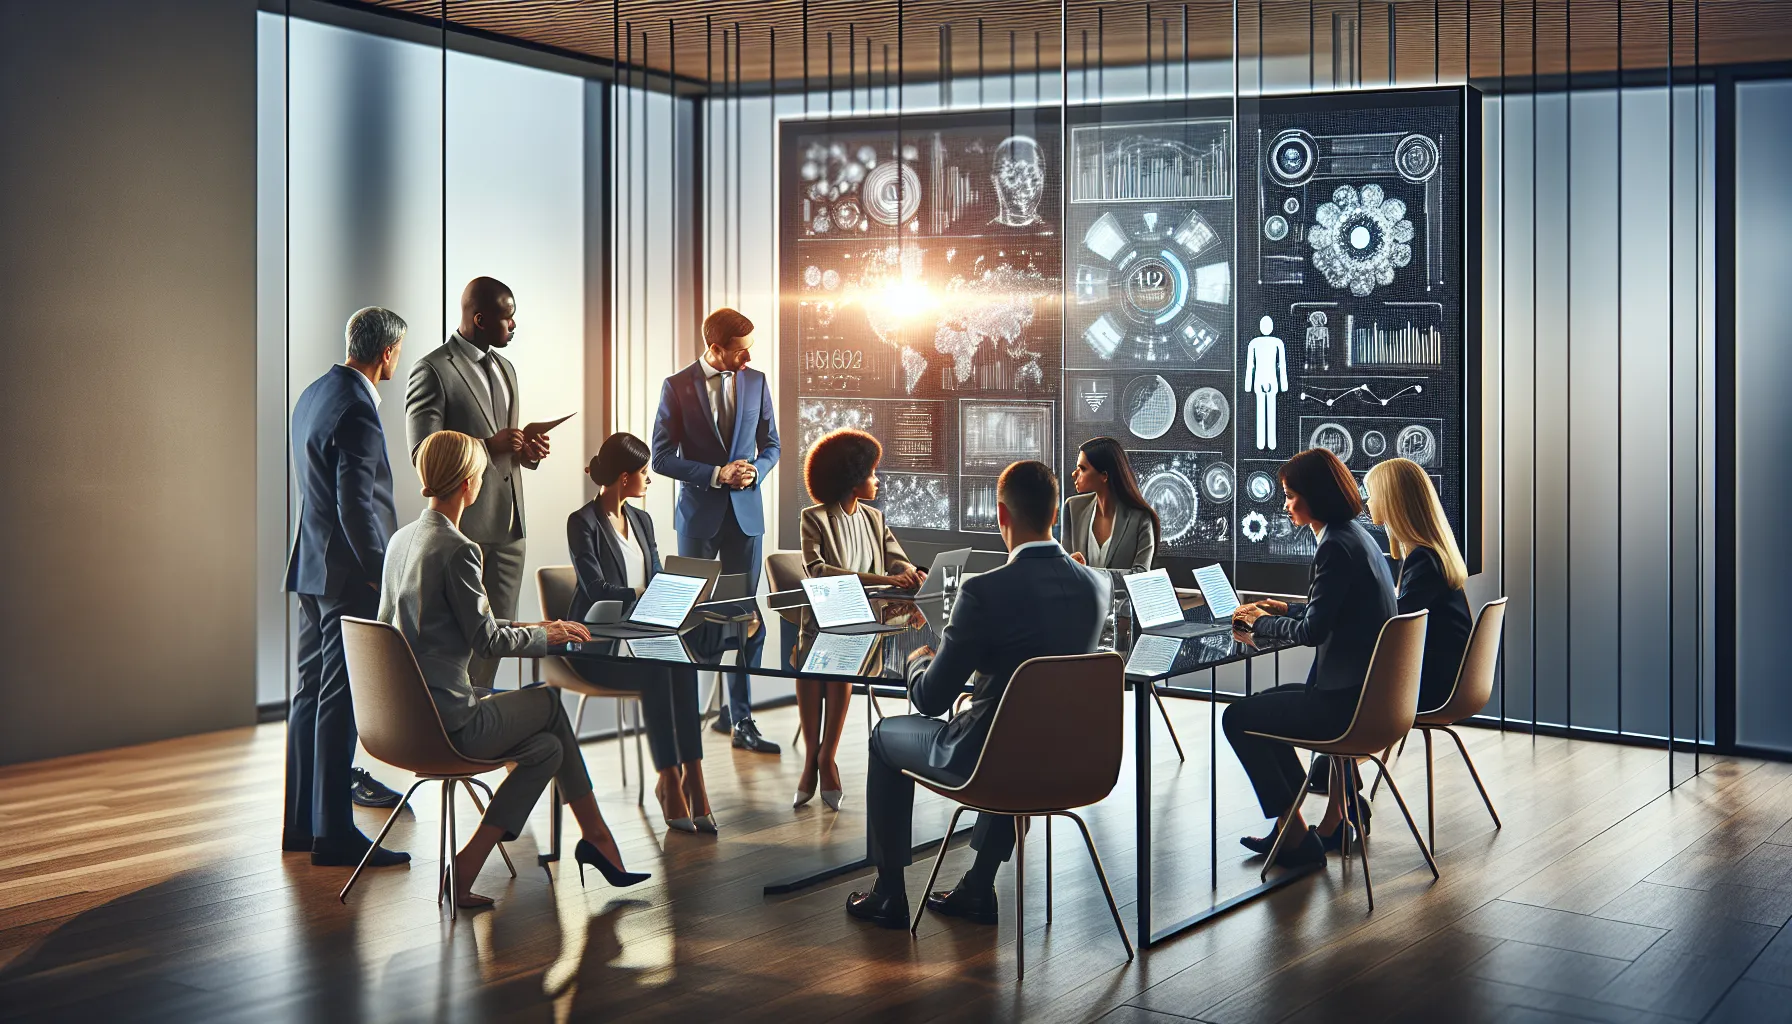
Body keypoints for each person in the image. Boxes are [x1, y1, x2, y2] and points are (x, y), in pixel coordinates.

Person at [381, 431, 648, 907]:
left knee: (546, 748)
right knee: (548, 702)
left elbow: (414, 627)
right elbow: (487, 640)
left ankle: (468, 864)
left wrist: (540, 625)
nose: (484, 481)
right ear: (468, 483)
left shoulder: (403, 541)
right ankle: (599, 839)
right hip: (448, 723)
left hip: (400, 720)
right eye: (482, 475)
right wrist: (550, 635)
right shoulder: (459, 548)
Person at [846, 461, 1110, 929]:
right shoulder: (1096, 584)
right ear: (1054, 513)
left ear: (1002, 517)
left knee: (884, 737)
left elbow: (929, 699)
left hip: (988, 762)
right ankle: (977, 885)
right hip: (1071, 760)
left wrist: (915, 662)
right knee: (1020, 734)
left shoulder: (985, 591)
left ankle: (888, 894)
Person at [1224, 447, 1397, 868]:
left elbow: (1312, 632)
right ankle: (1303, 826)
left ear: (1314, 495)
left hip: (1344, 707)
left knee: (1238, 717)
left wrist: (1258, 624)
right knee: (1265, 706)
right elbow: (1334, 612)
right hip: (1373, 700)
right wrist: (1283, 609)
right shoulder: (1357, 537)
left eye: (1289, 494)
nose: (1285, 504)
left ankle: (1296, 835)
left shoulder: (1334, 547)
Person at [284, 306, 411, 868]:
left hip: (311, 568)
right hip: (347, 575)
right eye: (398, 353)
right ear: (387, 353)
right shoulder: (359, 409)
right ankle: (334, 834)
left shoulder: (313, 394)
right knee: (338, 700)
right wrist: (380, 570)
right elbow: (356, 505)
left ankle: (302, 824)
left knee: (309, 693)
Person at [406, 277, 557, 691]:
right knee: (463, 642)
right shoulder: (433, 369)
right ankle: (452, 733)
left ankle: (479, 731)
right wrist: (487, 446)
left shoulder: (506, 368)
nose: (514, 326)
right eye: (507, 318)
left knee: (496, 644)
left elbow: (505, 449)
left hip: (511, 531)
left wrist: (527, 451)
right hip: (463, 529)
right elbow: (423, 453)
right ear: (480, 319)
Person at [566, 432, 716, 834]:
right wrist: (647, 591)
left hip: (645, 634)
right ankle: (669, 779)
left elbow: (657, 575)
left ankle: (694, 780)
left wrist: (678, 591)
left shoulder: (642, 519)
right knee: (658, 670)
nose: (649, 479)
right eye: (644, 472)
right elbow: (596, 588)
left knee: (682, 664)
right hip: (598, 644)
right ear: (624, 476)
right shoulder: (582, 523)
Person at [650, 307, 781, 754]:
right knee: (694, 619)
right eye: (740, 352)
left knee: (745, 615)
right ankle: (683, 718)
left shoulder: (757, 381)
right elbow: (661, 458)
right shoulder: (677, 386)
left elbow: (773, 445)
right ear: (715, 347)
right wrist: (714, 474)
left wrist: (755, 473)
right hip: (699, 518)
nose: (747, 359)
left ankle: (739, 718)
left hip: (746, 516)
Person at [796, 429, 925, 811]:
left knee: (844, 668)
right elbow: (817, 571)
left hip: (863, 620)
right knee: (814, 669)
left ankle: (825, 756)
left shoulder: (873, 517)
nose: (876, 479)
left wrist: (910, 571)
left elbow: (895, 556)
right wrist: (885, 579)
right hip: (822, 615)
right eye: (871, 472)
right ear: (852, 478)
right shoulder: (814, 518)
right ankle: (810, 758)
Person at [1366, 457, 1472, 714]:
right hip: (1450, 678)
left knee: (1348, 689)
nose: (1367, 503)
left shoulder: (1424, 560)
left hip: (1435, 687)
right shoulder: (1430, 554)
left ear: (1393, 500)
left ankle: (1341, 749)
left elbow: (1396, 623)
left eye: (1371, 495)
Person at [1062, 436, 1160, 573]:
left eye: (1083, 469)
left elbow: (1140, 574)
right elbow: (1064, 566)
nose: (1074, 474)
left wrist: (1087, 572)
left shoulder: (1140, 518)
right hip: (1080, 595)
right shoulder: (1073, 507)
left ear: (1104, 476)